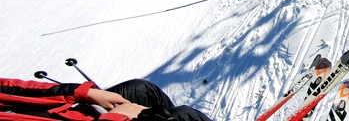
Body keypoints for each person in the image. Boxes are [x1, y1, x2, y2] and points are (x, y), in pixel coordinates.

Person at [0, 77, 211, 121]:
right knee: (184, 116)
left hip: (71, 113)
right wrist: (117, 118)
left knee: (141, 89)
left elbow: (15, 87)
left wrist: (84, 93)